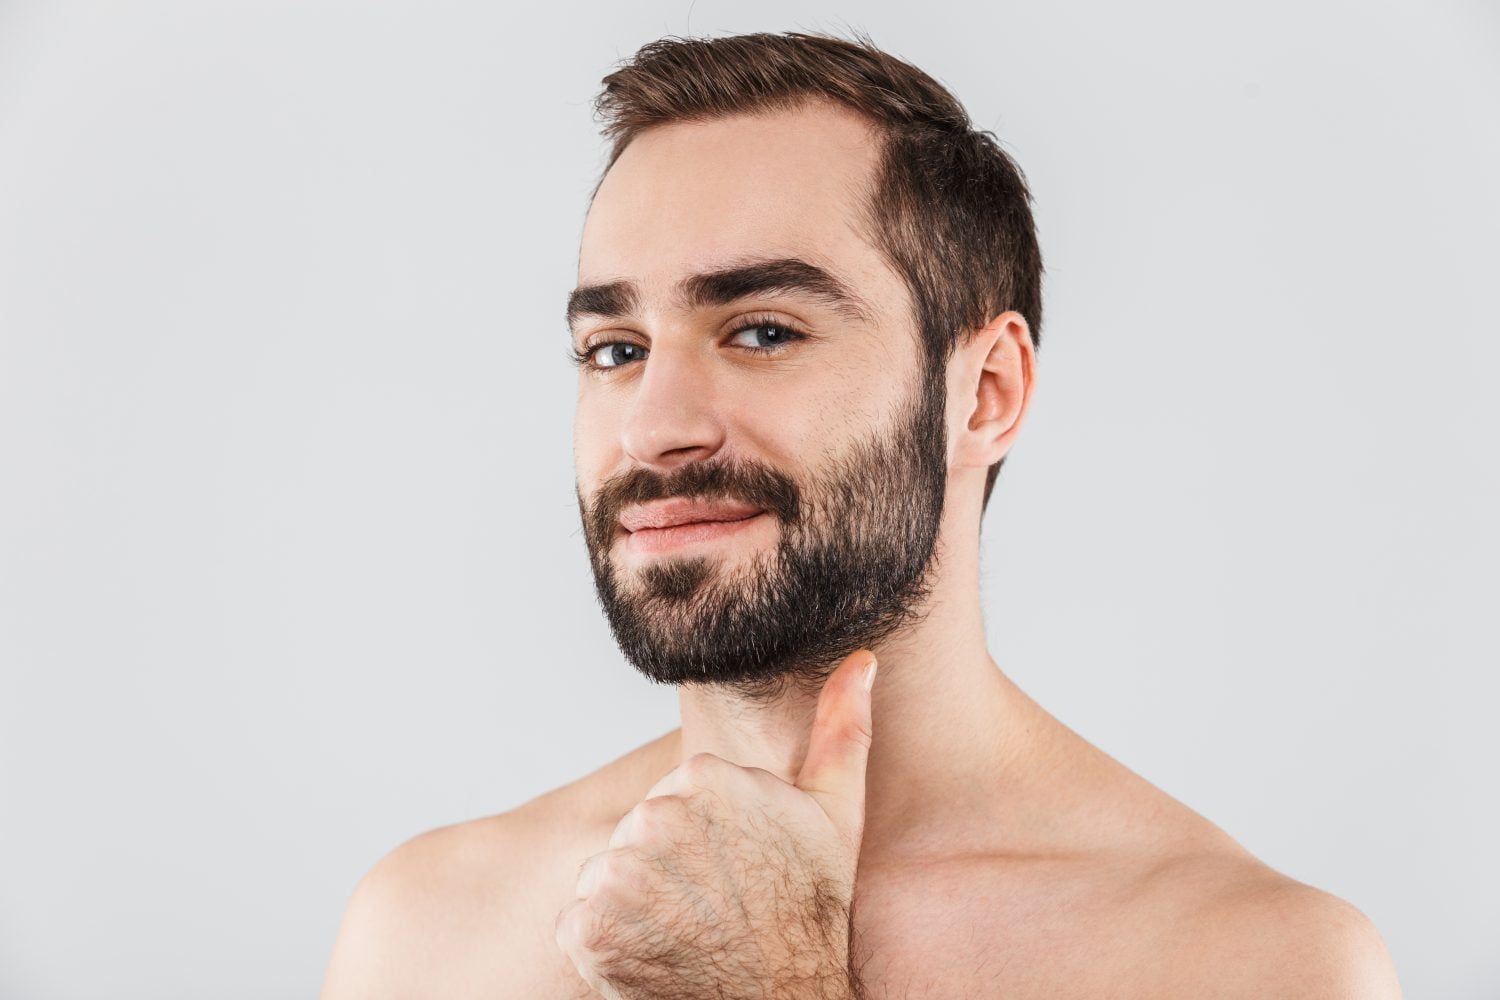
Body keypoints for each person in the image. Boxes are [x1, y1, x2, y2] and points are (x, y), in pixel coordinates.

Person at [320, 30, 1401, 999]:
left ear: (985, 392)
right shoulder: (428, 932)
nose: (651, 428)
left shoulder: (1253, 964)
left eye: (763, 331)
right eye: (615, 350)